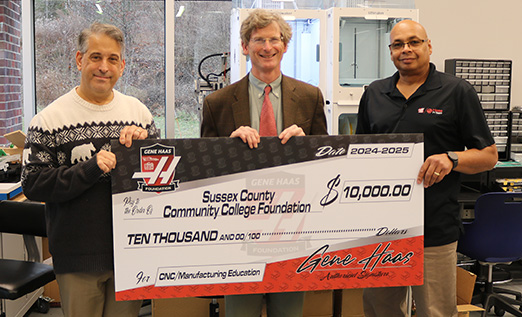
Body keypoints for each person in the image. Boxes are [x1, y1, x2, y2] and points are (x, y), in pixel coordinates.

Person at [356, 20, 498, 317]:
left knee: (435, 310)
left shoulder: (457, 92)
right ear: (390, 51)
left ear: (428, 46)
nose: (406, 49)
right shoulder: (374, 93)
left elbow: (488, 156)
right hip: (382, 227)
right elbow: (359, 155)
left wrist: (452, 158)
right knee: (380, 309)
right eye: (398, 44)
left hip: (434, 225)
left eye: (414, 41)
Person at [21, 22, 158, 317]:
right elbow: (33, 183)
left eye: (112, 59)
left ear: (122, 65)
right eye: (95, 57)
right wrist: (91, 168)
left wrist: (145, 149)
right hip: (77, 257)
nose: (103, 67)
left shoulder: (139, 114)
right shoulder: (49, 119)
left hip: (130, 253)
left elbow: (160, 183)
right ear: (79, 59)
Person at [201, 9, 328, 317]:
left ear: (285, 45)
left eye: (275, 39)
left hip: (293, 228)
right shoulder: (217, 103)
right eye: (259, 39)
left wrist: (307, 146)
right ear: (245, 46)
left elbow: (327, 163)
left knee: (288, 312)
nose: (267, 47)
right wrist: (228, 146)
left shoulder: (311, 97)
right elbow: (201, 170)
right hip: (239, 229)